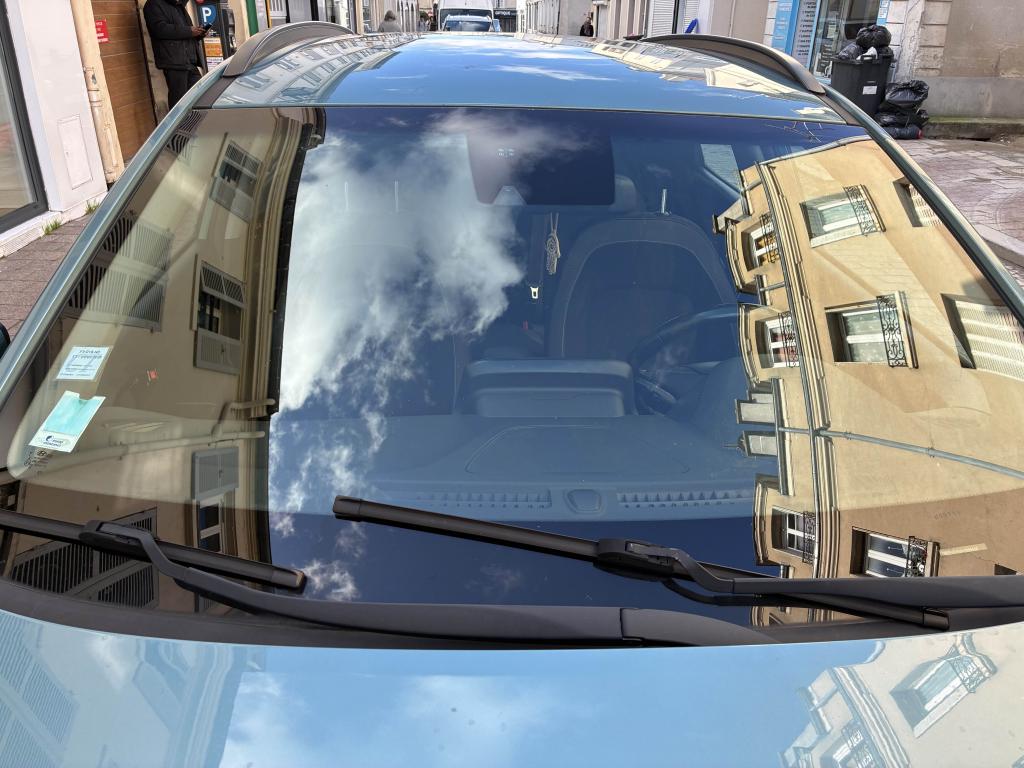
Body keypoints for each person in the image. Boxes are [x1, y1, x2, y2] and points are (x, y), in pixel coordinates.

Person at [143, 0, 207, 109]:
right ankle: (178, 121)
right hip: (174, 61)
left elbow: (187, 33)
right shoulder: (153, 4)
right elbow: (159, 30)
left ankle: (195, 119)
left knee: (200, 96)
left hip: (190, 61)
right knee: (179, 102)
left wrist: (199, 33)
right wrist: (189, 31)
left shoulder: (178, 5)